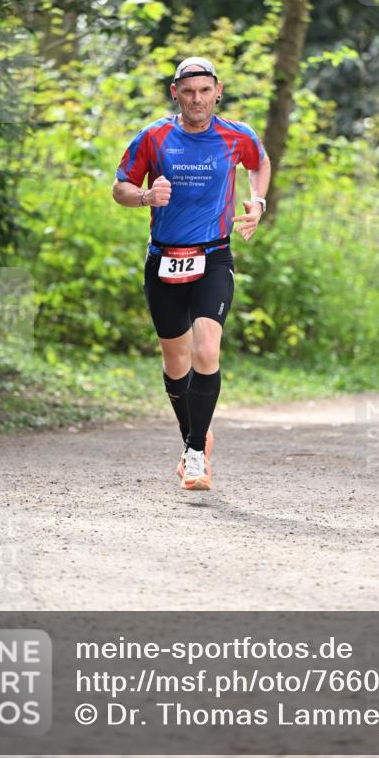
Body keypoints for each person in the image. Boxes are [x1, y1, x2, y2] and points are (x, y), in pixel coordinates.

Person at [112, 56, 271, 491]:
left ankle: (196, 454)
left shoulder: (236, 136)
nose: (197, 99)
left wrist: (257, 203)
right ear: (175, 93)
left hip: (214, 257)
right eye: (188, 91)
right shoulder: (155, 136)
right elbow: (119, 186)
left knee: (206, 348)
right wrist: (144, 196)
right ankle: (193, 436)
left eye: (205, 90)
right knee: (176, 360)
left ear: (218, 90)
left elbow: (260, 164)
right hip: (163, 258)